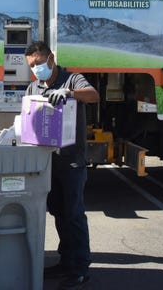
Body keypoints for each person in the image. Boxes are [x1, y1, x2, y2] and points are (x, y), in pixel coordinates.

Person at [24, 41, 99, 289]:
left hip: (72, 160)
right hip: (47, 161)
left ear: (51, 58)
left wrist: (69, 94)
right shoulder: (33, 87)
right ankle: (66, 261)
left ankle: (80, 268)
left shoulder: (72, 79)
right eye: (32, 66)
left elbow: (93, 96)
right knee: (57, 211)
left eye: (39, 63)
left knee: (74, 212)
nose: (36, 70)